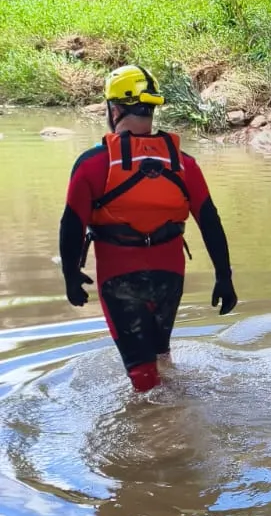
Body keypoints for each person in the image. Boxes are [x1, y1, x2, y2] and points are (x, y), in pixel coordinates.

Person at [59, 65, 238, 393]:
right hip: (170, 277)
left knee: (144, 380)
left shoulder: (93, 164)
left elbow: (71, 223)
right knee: (161, 358)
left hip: (120, 280)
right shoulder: (186, 164)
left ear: (114, 110)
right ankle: (181, 408)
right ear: (151, 108)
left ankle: (164, 437)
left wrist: (71, 274)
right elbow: (210, 221)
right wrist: (223, 276)